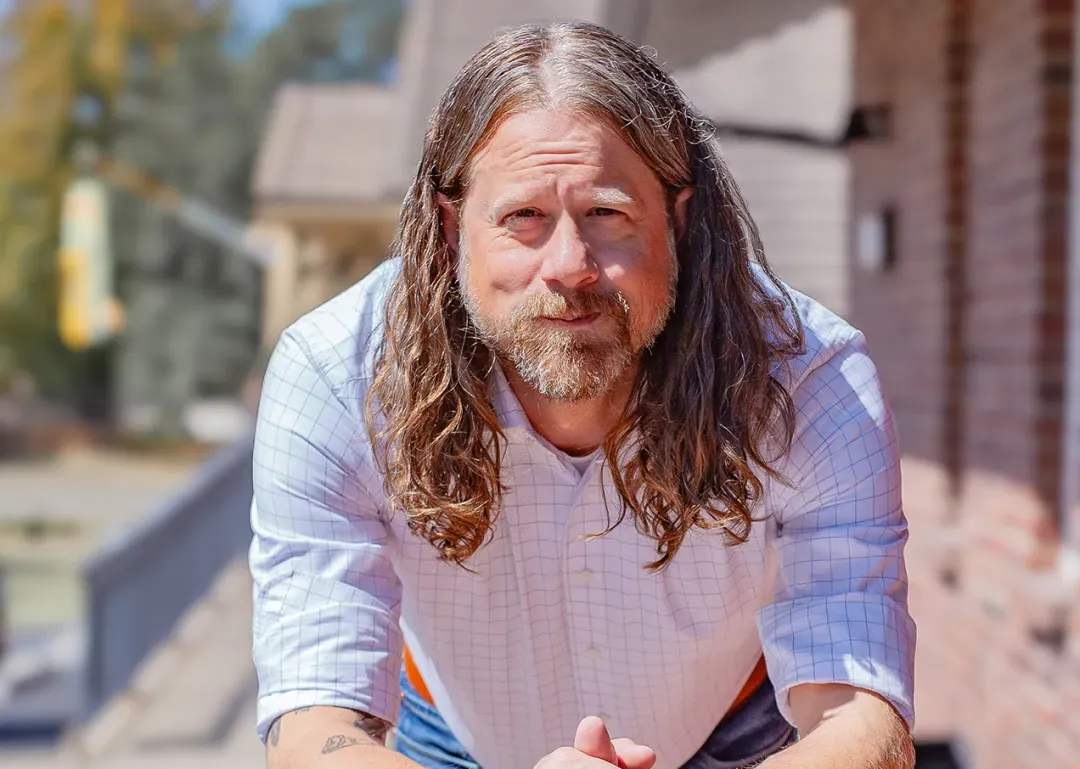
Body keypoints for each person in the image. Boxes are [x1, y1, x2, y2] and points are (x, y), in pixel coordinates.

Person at [250, 20, 916, 769]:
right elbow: (311, 725)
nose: (569, 265)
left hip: (740, 737)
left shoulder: (809, 379)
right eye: (523, 218)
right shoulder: (334, 376)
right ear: (449, 229)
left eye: (607, 214)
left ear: (680, 219)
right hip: (451, 738)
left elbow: (862, 721)